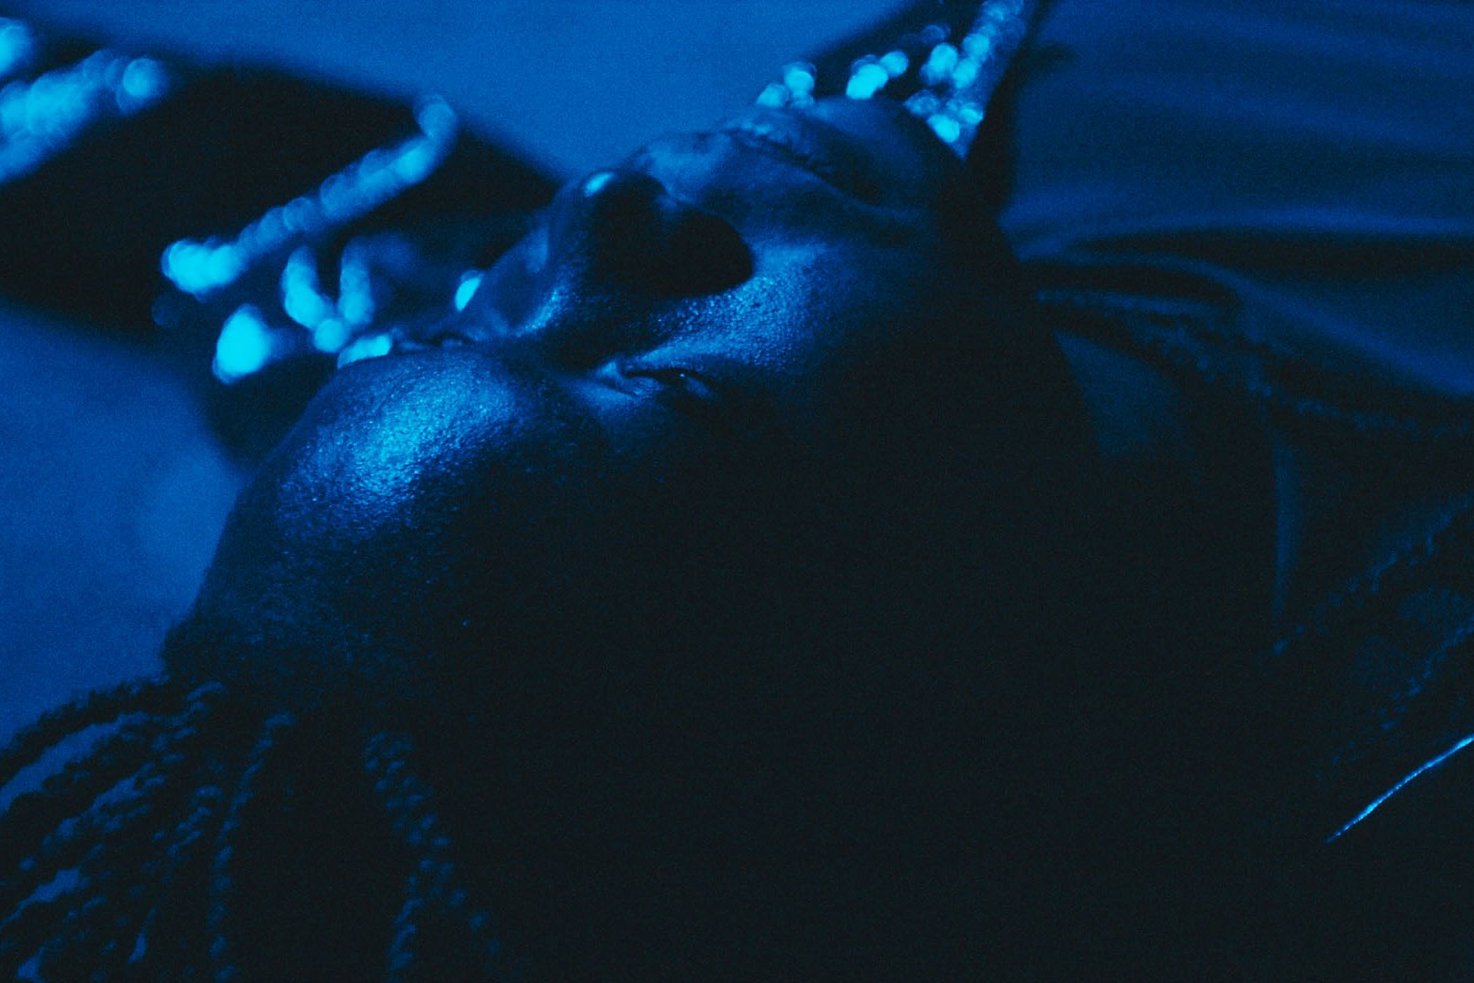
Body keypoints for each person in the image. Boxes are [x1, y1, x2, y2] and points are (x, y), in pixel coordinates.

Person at [5, 0, 1474, 977]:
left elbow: (169, 158)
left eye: (451, 331)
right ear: (900, 659)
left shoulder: (414, 380)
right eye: (669, 383)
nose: (598, 216)